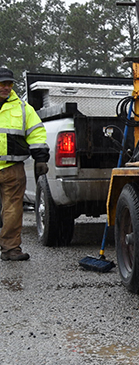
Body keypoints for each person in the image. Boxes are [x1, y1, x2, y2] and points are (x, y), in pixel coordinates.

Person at [0, 66, 48, 262]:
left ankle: (11, 249)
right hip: (12, 169)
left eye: (9, 84)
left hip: (13, 168)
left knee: (13, 210)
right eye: (2, 83)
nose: (6, 87)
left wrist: (41, 158)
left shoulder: (23, 108)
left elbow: (36, 133)